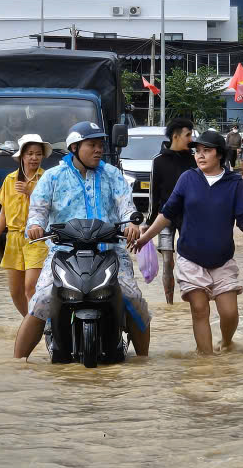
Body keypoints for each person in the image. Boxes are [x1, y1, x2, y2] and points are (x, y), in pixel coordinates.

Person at [14, 121, 151, 361]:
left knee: (133, 297)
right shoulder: (53, 177)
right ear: (74, 147)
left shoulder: (112, 174)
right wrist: (35, 226)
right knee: (42, 298)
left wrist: (132, 224)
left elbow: (126, 207)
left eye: (100, 145)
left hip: (109, 251)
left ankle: (143, 360)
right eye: (92, 145)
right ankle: (17, 363)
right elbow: (38, 211)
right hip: (63, 252)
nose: (99, 149)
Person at [136, 130, 243, 354]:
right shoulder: (188, 179)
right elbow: (167, 213)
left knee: (229, 313)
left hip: (222, 259)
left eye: (207, 151)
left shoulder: (234, 182)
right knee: (199, 309)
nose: (200, 155)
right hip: (190, 258)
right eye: (197, 151)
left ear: (220, 155)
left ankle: (226, 342)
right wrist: (145, 238)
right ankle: (205, 364)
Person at [0, 134, 51, 317]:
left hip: (37, 237)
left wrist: (31, 192)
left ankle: (37, 325)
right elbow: (4, 212)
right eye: (30, 153)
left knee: (31, 287)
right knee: (15, 292)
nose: (34, 158)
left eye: (38, 154)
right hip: (13, 238)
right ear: (22, 156)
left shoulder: (46, 179)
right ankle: (30, 324)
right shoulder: (10, 180)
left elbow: (53, 208)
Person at [148, 118, 197, 304]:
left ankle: (192, 299)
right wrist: (149, 223)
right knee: (168, 260)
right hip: (165, 217)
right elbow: (153, 194)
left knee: (190, 260)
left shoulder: (194, 160)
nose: (191, 139)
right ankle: (170, 304)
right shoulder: (158, 161)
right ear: (175, 136)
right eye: (188, 135)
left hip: (189, 218)